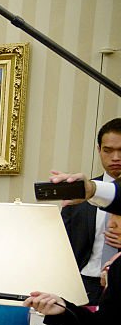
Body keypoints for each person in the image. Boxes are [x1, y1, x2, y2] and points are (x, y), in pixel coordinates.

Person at [60, 118, 121, 304]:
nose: (116, 157)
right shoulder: (82, 192)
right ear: (99, 150)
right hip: (85, 285)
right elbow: (64, 245)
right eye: (108, 150)